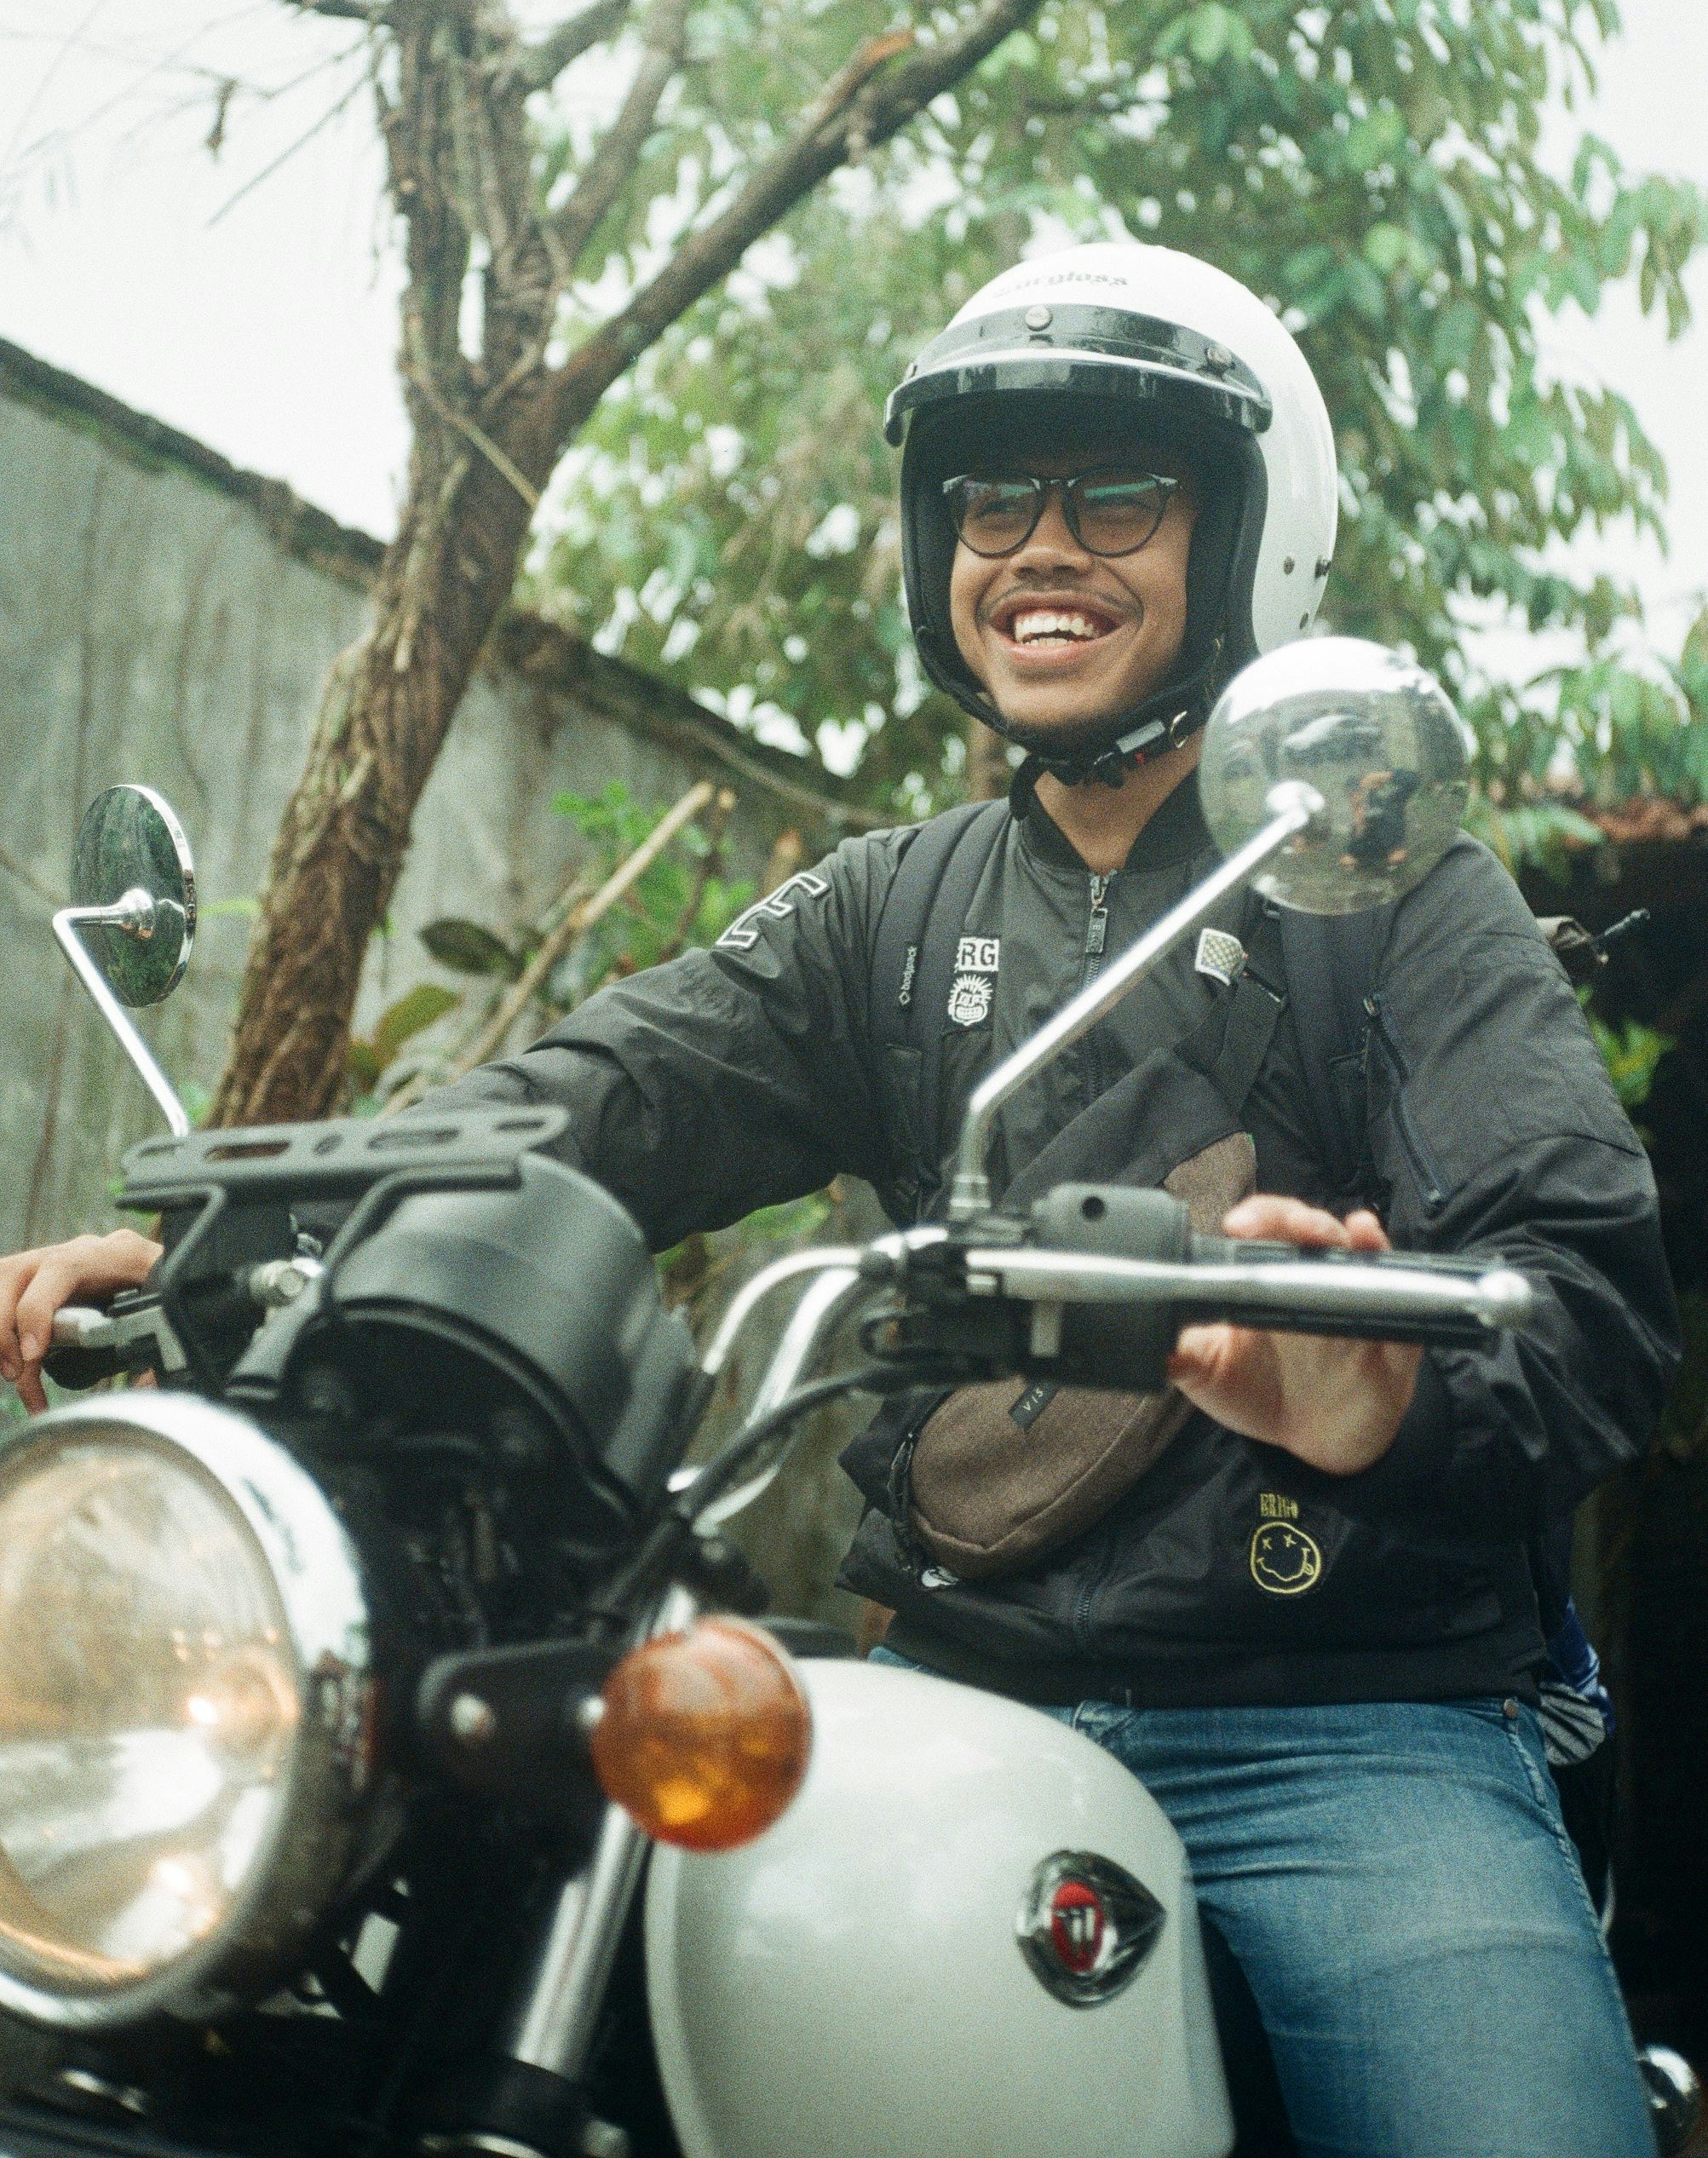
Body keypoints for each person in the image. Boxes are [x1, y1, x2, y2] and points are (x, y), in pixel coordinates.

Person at [0, 242, 1677, 2157]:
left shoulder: (1386, 883)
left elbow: (1587, 1293)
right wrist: (249, 1237)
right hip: (954, 1686)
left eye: (1113, 492)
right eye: (989, 499)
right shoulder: (892, 908)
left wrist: (1371, 1396)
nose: (1038, 546)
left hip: (1339, 1727)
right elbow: (599, 1098)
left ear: (1242, 531)